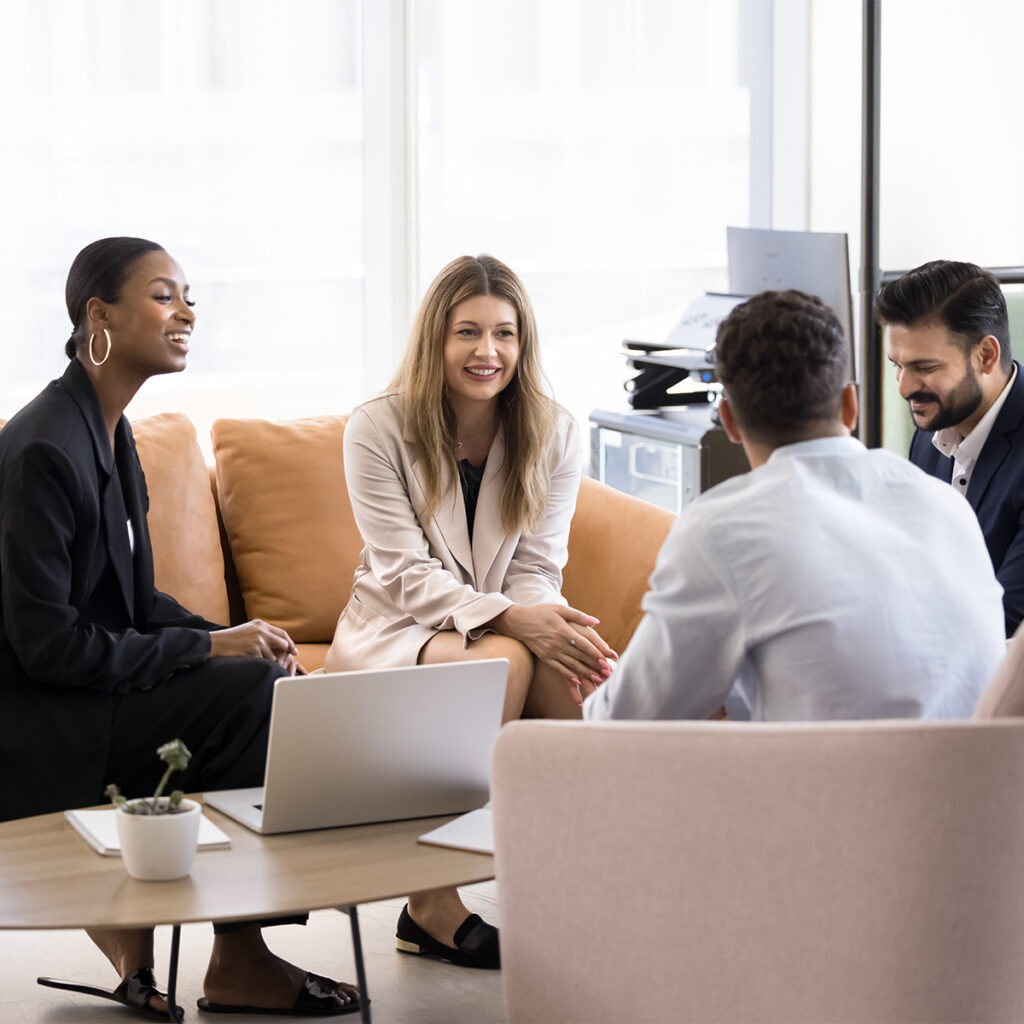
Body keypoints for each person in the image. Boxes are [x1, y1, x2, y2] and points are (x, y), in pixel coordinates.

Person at [0, 238, 360, 1018]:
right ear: (99, 315)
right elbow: (48, 645)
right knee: (251, 693)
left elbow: (135, 602)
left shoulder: (110, 427)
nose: (188, 311)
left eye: (189, 295)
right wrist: (208, 647)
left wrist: (232, 631)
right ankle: (238, 958)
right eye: (165, 296)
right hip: (40, 726)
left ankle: (204, 944)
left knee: (260, 671)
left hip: (86, 702)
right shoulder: (42, 450)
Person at [324, 253, 616, 968]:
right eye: (468, 333)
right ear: (437, 339)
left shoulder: (555, 431)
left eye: (505, 334)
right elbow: (403, 574)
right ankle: (432, 904)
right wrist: (514, 623)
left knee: (589, 680)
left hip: (504, 619)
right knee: (505, 659)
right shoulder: (376, 427)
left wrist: (545, 623)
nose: (488, 352)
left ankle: (603, 894)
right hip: (398, 627)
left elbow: (537, 567)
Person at [584, 289, 1005, 723]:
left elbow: (626, 721)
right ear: (850, 405)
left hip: (830, 787)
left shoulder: (721, 529)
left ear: (728, 420)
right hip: (983, 783)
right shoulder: (946, 505)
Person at [876, 260, 1024, 636]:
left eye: (923, 367)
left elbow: (1004, 617)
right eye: (897, 365)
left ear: (986, 356)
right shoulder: (931, 431)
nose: (903, 387)